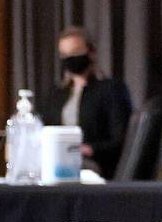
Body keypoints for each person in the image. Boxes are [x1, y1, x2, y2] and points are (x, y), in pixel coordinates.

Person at [40, 26, 133, 179]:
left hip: (95, 164)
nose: (70, 58)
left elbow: (121, 139)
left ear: (91, 52)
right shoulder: (56, 94)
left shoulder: (111, 90)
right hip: (57, 160)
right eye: (65, 54)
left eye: (75, 52)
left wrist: (89, 149)